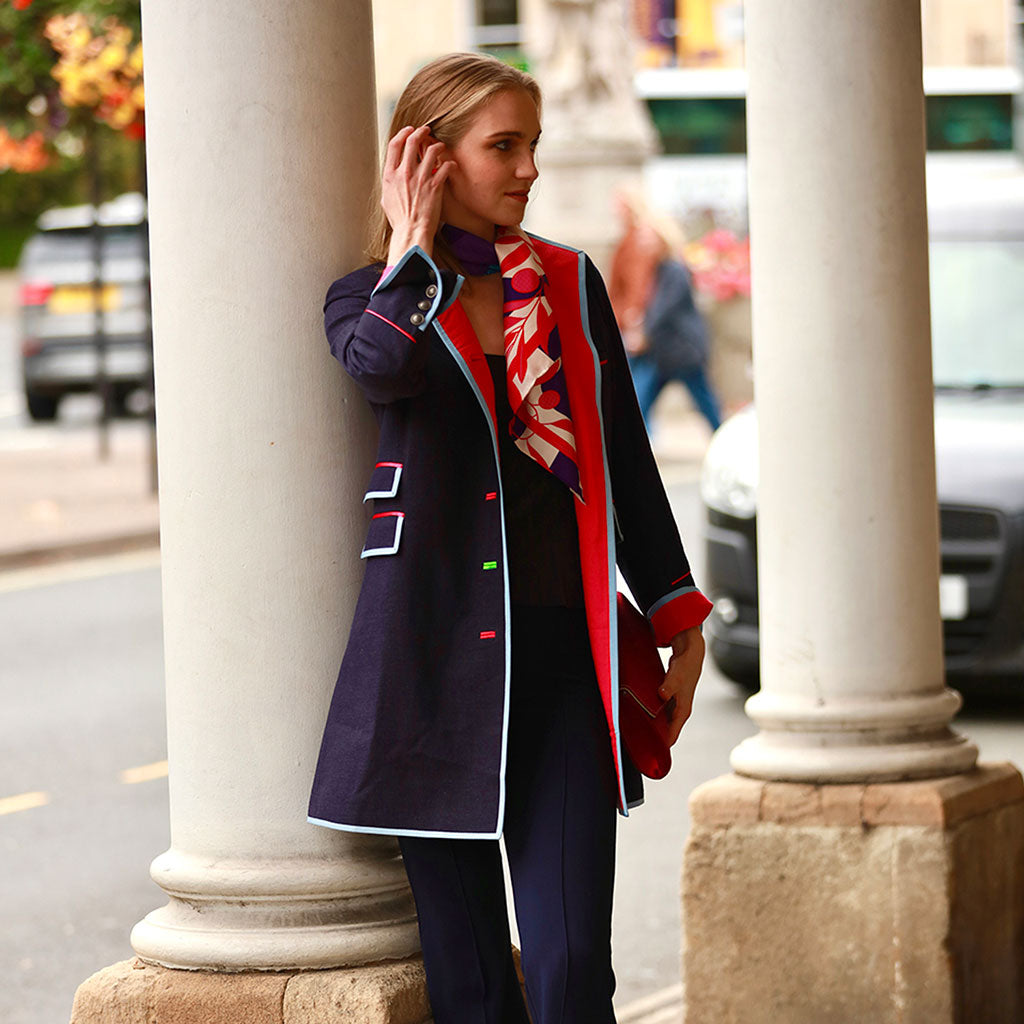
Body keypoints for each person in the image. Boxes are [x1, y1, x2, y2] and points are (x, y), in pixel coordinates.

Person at [306, 52, 712, 1024]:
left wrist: (676, 613)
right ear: (431, 156)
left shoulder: (568, 287)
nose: (527, 168)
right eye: (504, 146)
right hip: (427, 674)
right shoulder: (370, 296)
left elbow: (621, 460)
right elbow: (378, 372)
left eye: (533, 144)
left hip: (566, 664)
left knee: (573, 966)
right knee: (474, 987)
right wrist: (411, 248)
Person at [608, 199, 723, 434]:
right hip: (663, 353)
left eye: (648, 237)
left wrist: (642, 334)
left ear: (662, 238)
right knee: (640, 402)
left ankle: (723, 438)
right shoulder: (659, 270)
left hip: (681, 351)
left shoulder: (674, 270)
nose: (643, 242)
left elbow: (663, 310)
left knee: (705, 403)